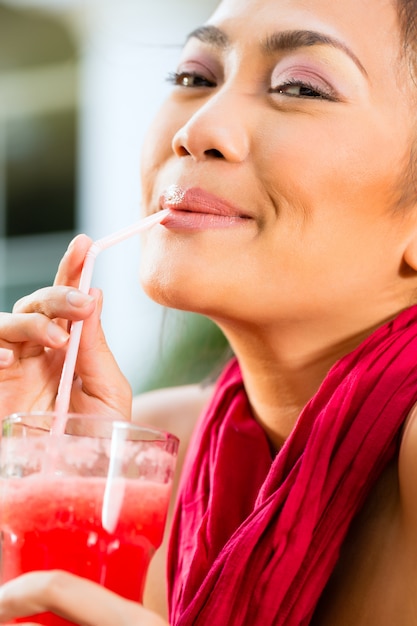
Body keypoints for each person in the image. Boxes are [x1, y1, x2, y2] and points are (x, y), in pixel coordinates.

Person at [1, 0, 417, 623]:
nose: (196, 130)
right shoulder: (147, 448)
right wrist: (38, 483)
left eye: (300, 87)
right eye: (195, 78)